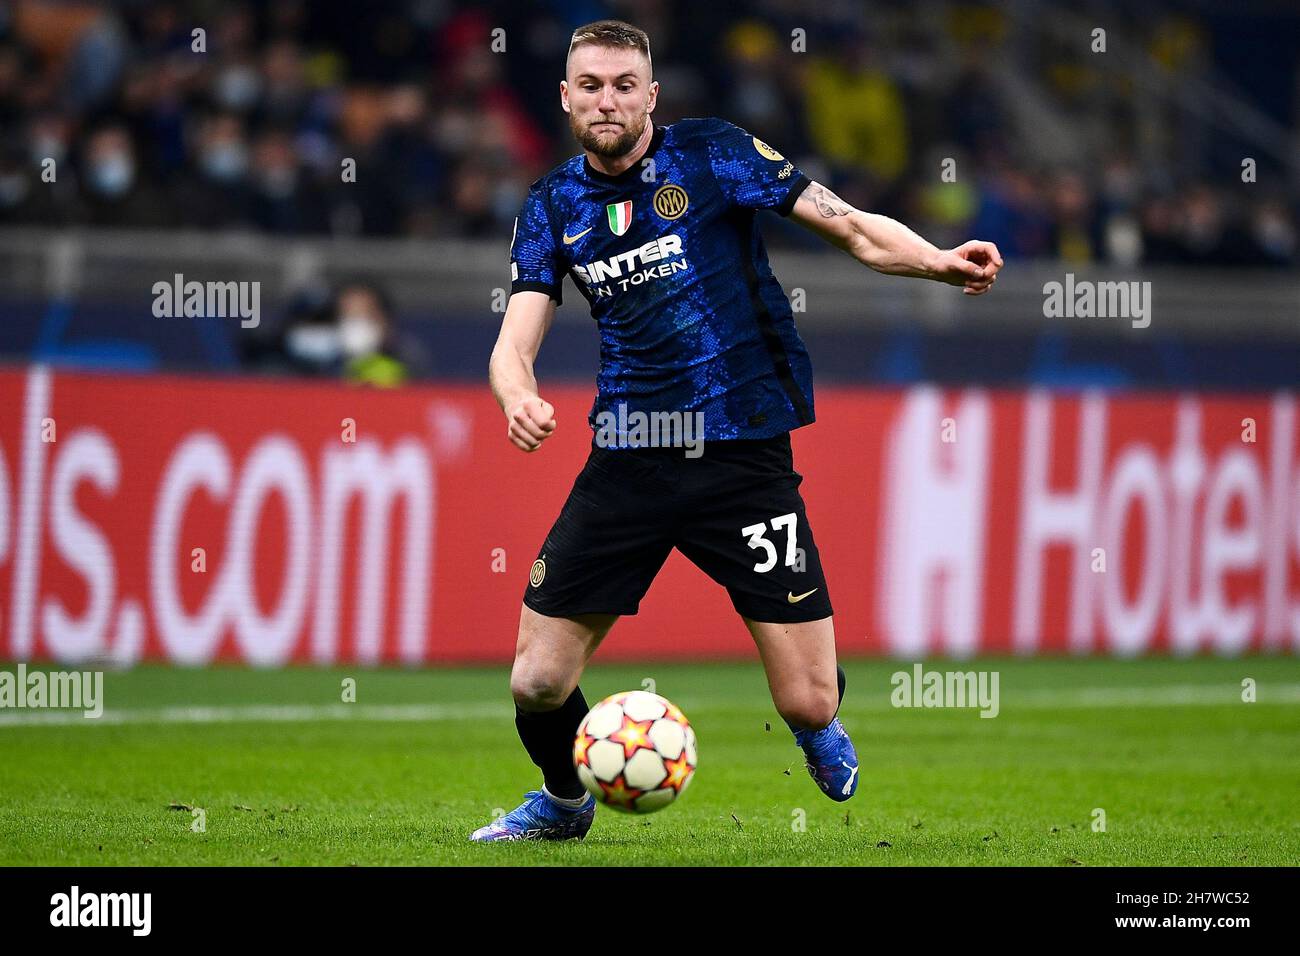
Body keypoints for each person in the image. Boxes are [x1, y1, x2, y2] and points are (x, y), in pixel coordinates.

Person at [476, 20, 1002, 842]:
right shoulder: (551, 206)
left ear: (651, 96)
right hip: (629, 460)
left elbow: (853, 226)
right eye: (590, 86)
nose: (606, 100)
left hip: (742, 453)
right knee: (537, 682)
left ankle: (817, 726)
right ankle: (566, 801)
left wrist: (938, 259)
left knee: (808, 697)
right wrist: (518, 396)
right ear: (566, 97)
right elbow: (515, 342)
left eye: (623, 85)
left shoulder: (714, 153)